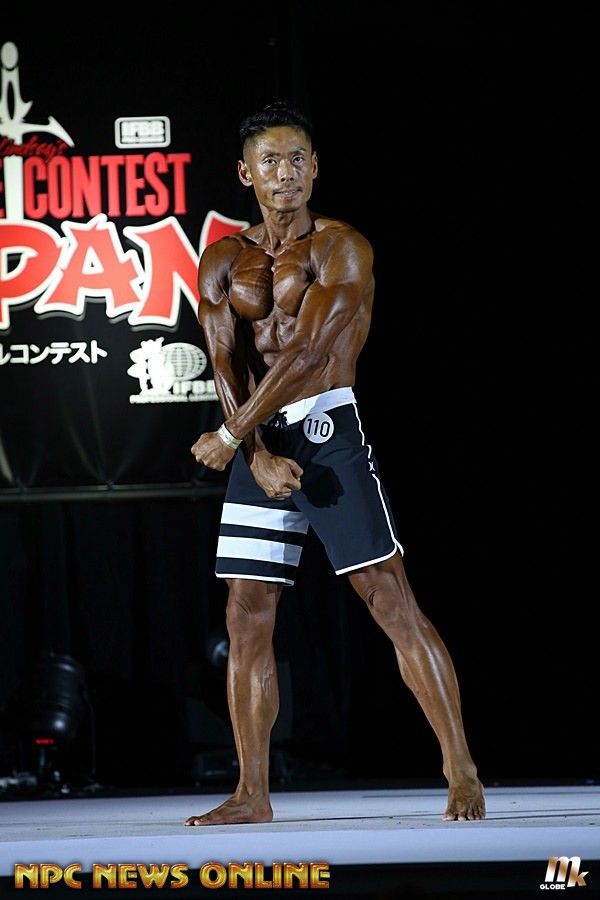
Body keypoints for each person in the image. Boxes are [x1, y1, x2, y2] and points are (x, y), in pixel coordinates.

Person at [186, 100, 485, 825]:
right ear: (245, 174)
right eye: (269, 161)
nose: (284, 173)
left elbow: (309, 353)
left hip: (325, 430)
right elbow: (224, 361)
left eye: (297, 159)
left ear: (315, 167)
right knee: (246, 613)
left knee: (388, 598)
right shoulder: (222, 257)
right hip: (258, 443)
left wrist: (229, 435)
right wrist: (254, 450)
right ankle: (252, 794)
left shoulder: (342, 247)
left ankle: (461, 770)